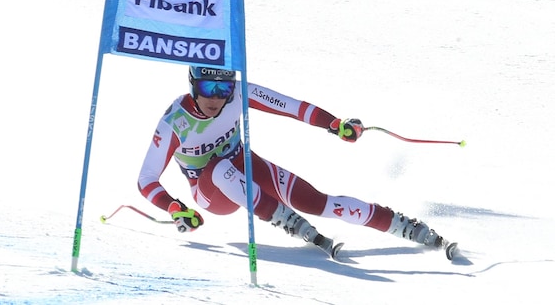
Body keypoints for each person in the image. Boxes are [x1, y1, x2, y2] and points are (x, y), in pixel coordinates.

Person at [137, 66, 448, 259]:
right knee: (218, 166)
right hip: (212, 193)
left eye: (224, 87)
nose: (217, 97)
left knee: (317, 202)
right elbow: (146, 179)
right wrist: (174, 207)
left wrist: (333, 123)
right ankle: (285, 219)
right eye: (208, 87)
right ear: (193, 84)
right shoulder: (176, 122)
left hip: (247, 167)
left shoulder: (238, 95)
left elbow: (290, 106)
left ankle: (401, 225)